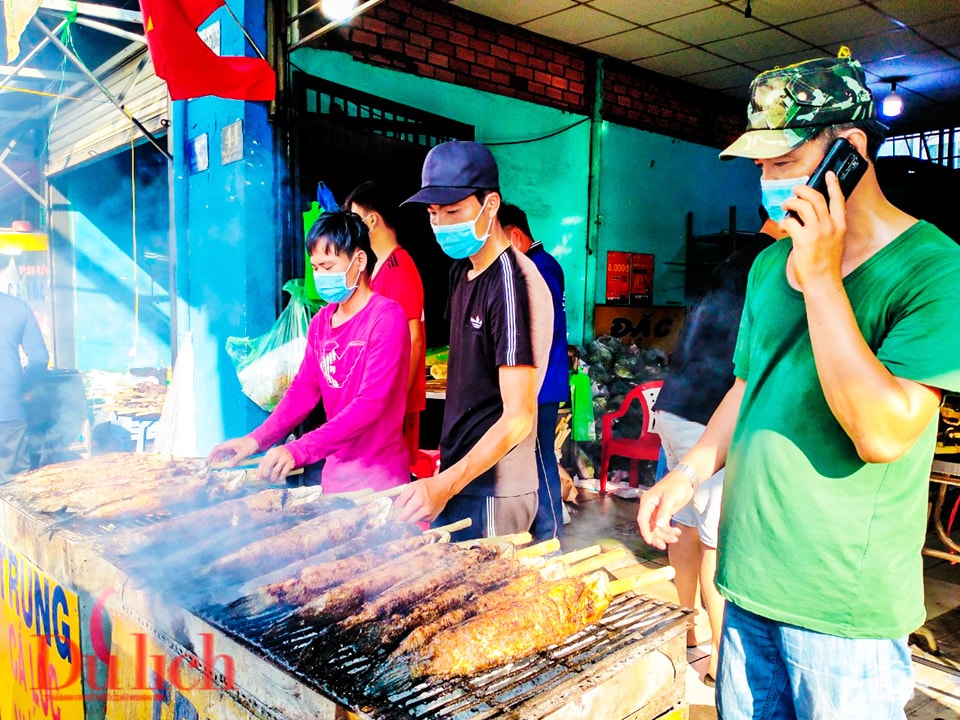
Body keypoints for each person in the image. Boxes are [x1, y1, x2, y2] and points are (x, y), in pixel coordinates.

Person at [637, 52, 960, 719]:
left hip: (839, 613)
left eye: (784, 163)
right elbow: (748, 383)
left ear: (849, 149)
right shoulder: (768, 267)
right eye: (761, 166)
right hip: (747, 588)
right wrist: (690, 470)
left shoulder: (935, 270)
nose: (768, 181)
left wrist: (822, 278)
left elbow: (882, 431)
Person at [392, 141, 553, 541]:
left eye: (453, 212)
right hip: (458, 477)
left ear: (491, 205)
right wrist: (444, 478)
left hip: (494, 490)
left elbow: (518, 417)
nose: (442, 225)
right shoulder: (460, 274)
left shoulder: (514, 285)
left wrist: (444, 485)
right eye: (434, 214)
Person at [652, 206, 784, 683]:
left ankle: (686, 632)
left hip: (673, 406)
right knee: (715, 543)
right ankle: (723, 663)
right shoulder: (773, 265)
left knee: (686, 528)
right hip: (707, 419)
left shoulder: (738, 258)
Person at [209, 210, 411, 494]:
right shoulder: (319, 324)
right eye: (315, 268)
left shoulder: (386, 318)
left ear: (360, 260)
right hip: (335, 480)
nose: (320, 276)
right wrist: (255, 441)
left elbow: (371, 404)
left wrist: (299, 450)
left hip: (381, 482)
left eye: (328, 266)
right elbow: (302, 391)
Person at [498, 203, 570, 542]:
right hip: (541, 382)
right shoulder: (543, 263)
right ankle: (540, 530)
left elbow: (536, 331)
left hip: (541, 384)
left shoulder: (537, 268)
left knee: (541, 460)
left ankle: (550, 534)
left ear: (515, 236)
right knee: (535, 459)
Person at [344, 181, 427, 467]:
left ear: (373, 220)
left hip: (394, 404)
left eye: (356, 219)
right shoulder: (379, 267)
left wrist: (397, 401)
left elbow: (413, 337)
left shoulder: (399, 267)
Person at [0, 291, 48, 481]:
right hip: (10, 406)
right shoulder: (18, 307)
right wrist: (25, 388)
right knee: (14, 484)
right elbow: (39, 359)